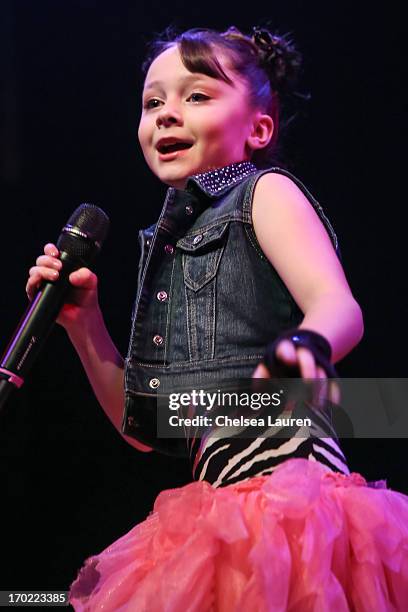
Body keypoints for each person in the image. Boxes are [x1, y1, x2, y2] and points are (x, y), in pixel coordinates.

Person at [26, 25, 408, 611]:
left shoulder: (265, 192)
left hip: (291, 501)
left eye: (196, 96)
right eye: (153, 102)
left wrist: (297, 352)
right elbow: (146, 428)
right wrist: (84, 325)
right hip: (220, 508)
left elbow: (340, 308)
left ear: (258, 127)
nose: (167, 115)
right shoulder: (167, 247)